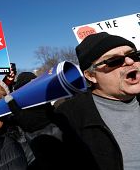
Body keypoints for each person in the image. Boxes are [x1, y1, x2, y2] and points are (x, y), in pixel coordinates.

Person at [53, 32, 140, 170]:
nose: (130, 62)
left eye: (134, 55)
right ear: (91, 75)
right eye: (114, 61)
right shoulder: (68, 118)